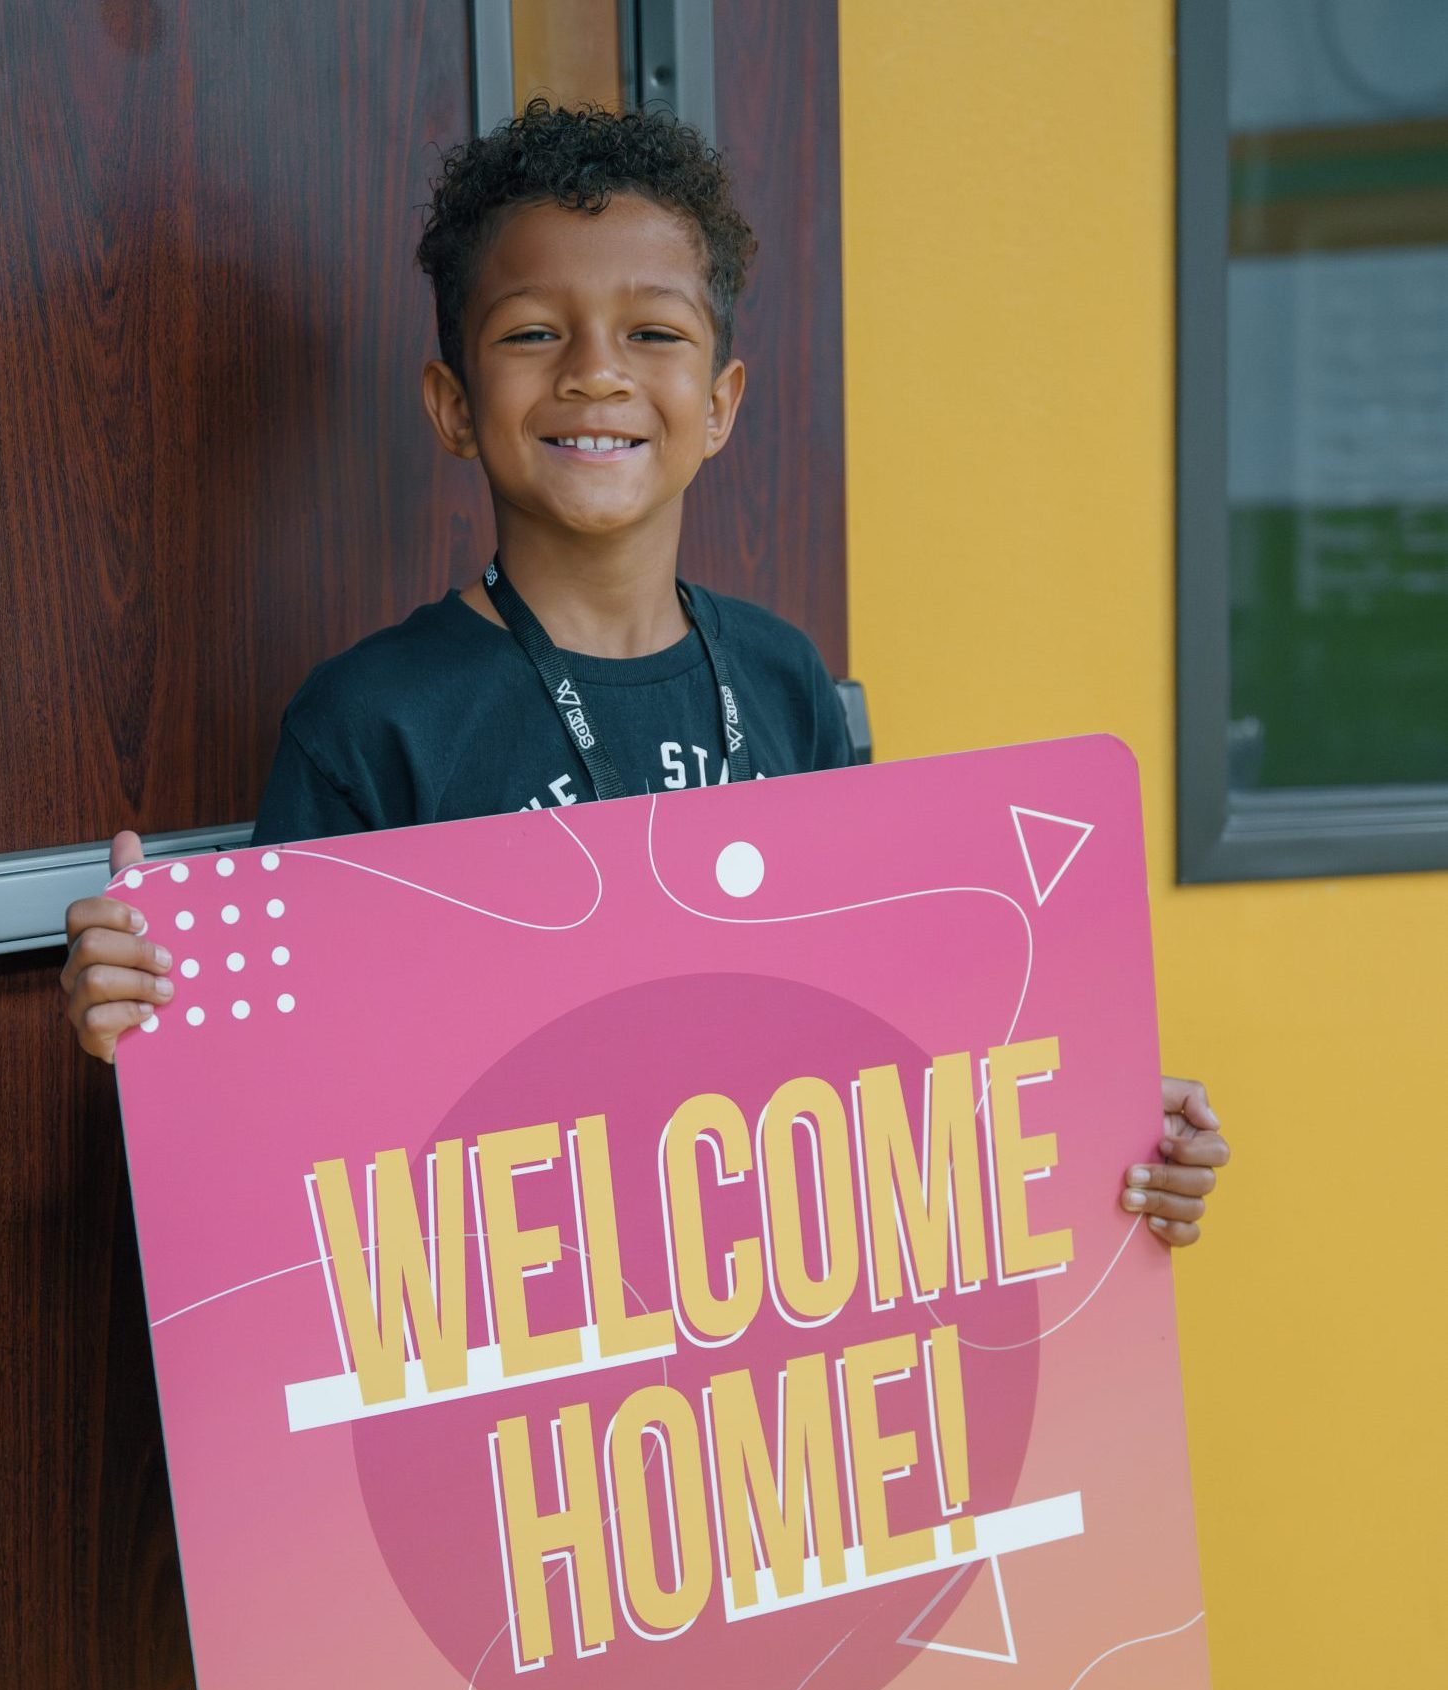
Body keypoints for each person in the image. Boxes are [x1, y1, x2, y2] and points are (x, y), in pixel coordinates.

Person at [61, 101, 1229, 1242]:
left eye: (654, 334)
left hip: (768, 1315)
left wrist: (1100, 1133)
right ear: (455, 407)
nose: (595, 374)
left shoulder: (785, 680)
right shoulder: (372, 722)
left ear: (719, 405)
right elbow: (289, 1106)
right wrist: (152, 1027)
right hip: (514, 1324)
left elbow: (874, 1032)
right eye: (533, 333)